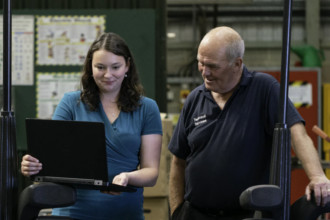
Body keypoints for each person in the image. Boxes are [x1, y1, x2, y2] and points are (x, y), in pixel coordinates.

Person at [168, 26, 330, 220]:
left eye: (213, 66)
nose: (205, 72)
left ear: (237, 64)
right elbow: (178, 161)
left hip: (248, 215)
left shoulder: (264, 89)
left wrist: (317, 176)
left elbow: (298, 134)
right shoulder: (195, 98)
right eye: (201, 63)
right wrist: (177, 210)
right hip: (196, 214)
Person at [21, 32, 163, 220]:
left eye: (115, 67)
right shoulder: (71, 103)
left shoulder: (147, 108)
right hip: (71, 211)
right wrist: (31, 165)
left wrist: (128, 177)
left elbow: (151, 172)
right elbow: (51, 157)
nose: (108, 75)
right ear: (90, 67)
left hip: (125, 213)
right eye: (100, 67)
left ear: (127, 65)